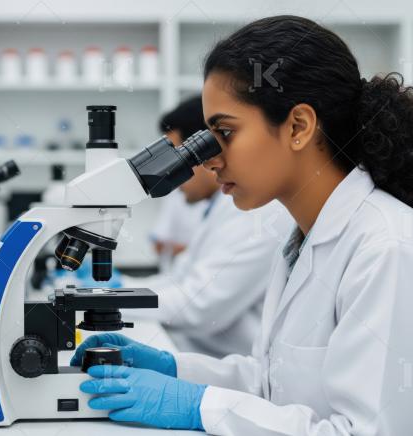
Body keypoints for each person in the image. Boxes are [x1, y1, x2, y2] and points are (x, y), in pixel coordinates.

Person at [70, 16, 413, 435]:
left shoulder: (389, 250)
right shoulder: (304, 238)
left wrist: (200, 406)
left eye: (225, 132)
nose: (209, 159)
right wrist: (174, 368)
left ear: (298, 127)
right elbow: (273, 383)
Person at [123, 96, 293, 357]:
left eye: (178, 157)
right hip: (210, 359)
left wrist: (110, 300)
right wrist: (113, 290)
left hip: (232, 366)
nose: (171, 173)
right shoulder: (219, 207)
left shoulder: (260, 212)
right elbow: (178, 281)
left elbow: (199, 305)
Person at [149, 97, 212, 271]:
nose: (170, 171)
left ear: (205, 147)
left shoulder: (241, 211)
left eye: (177, 158)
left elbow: (201, 293)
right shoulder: (212, 206)